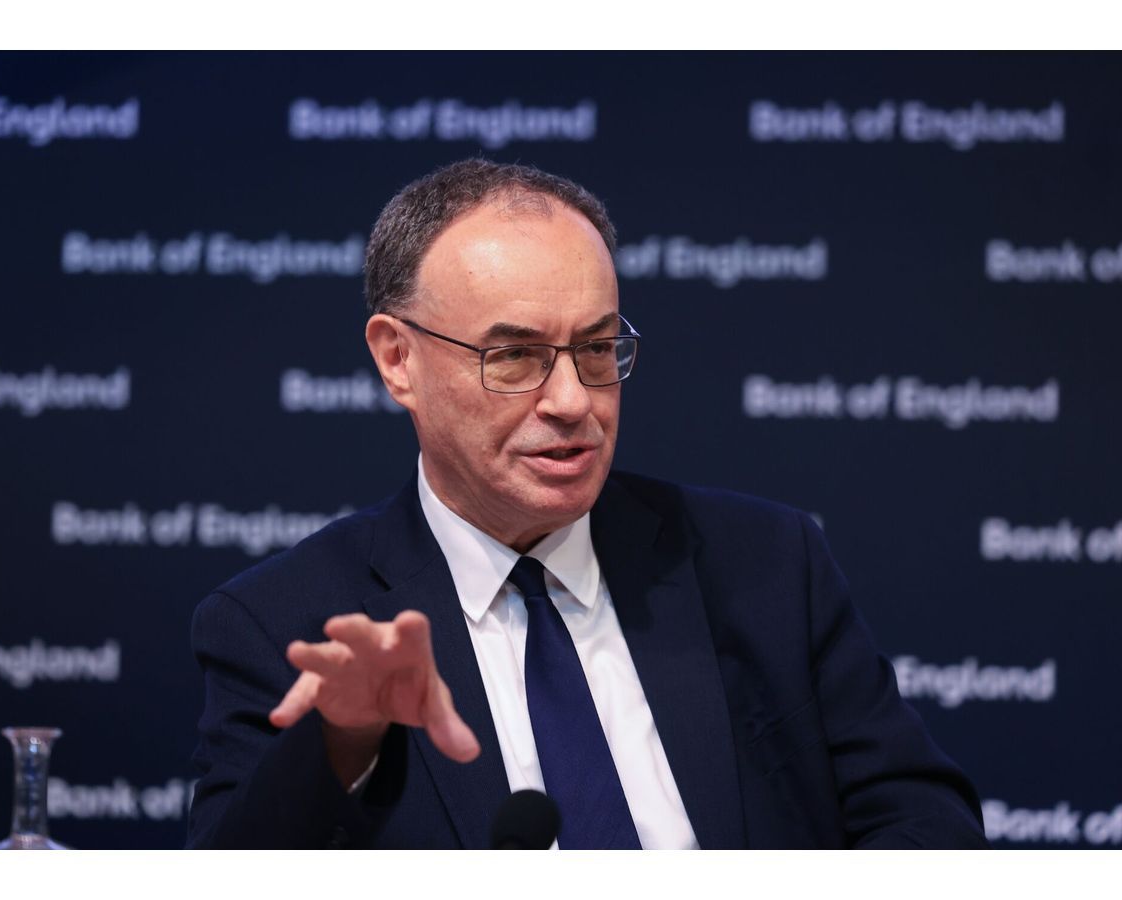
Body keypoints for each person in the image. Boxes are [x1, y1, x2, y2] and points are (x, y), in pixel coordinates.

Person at [187, 158, 988, 849]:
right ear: (398, 360)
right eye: (516, 355)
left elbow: (924, 822)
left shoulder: (766, 565)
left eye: (598, 349)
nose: (574, 400)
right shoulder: (286, 623)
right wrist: (340, 742)